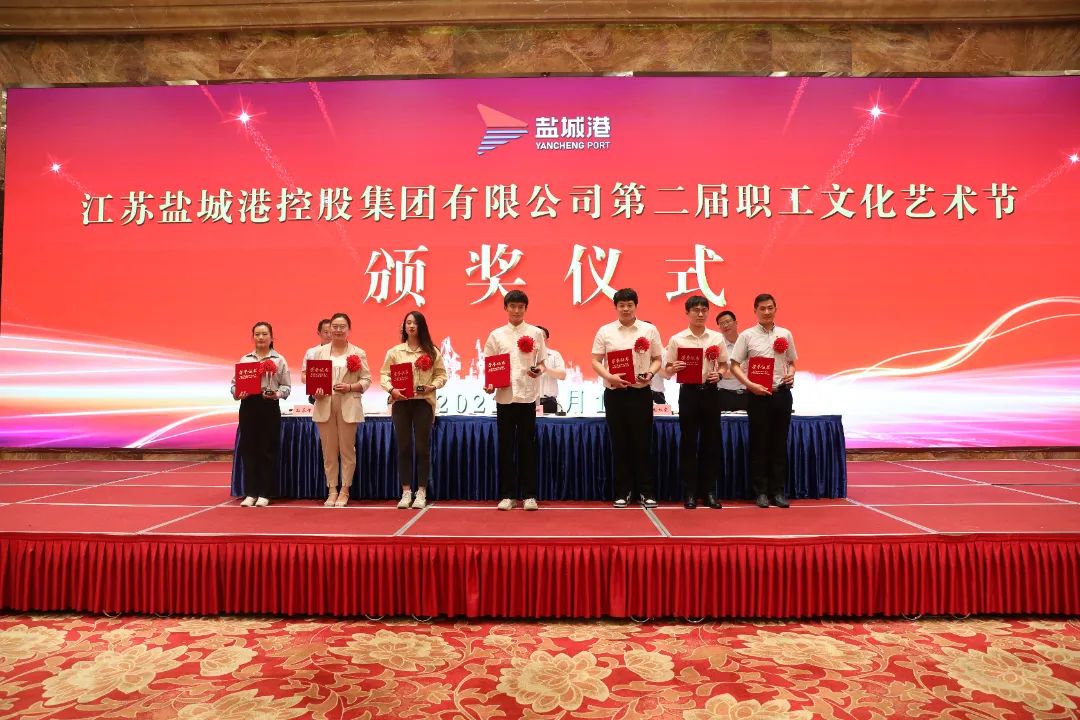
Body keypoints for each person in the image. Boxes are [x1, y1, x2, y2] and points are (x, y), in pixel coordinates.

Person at [591, 288, 662, 508]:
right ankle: (623, 492)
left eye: (630, 304)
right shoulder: (605, 331)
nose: (626, 309)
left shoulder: (649, 330)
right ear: (616, 307)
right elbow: (595, 360)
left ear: (635, 306)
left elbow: (657, 359)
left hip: (640, 393)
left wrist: (650, 373)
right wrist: (609, 376)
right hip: (615, 394)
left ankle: (646, 492)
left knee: (642, 443)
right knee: (619, 443)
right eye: (621, 305)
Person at [729, 293, 798, 509]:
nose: (766, 312)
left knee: (779, 444)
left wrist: (791, 374)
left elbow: (792, 362)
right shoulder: (747, 336)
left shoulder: (785, 334)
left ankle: (778, 491)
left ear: (776, 309)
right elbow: (734, 365)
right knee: (759, 444)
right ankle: (760, 492)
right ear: (755, 311)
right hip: (757, 396)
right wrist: (750, 385)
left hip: (781, 394)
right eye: (762, 308)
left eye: (770, 308)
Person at [483, 290, 546, 511]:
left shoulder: (536, 333)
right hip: (505, 397)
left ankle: (529, 495)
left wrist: (538, 371)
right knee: (506, 446)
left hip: (527, 397)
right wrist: (490, 384)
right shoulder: (496, 335)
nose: (517, 310)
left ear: (526, 309)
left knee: (528, 446)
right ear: (506, 308)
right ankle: (507, 495)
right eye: (513, 306)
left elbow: (542, 363)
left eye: (520, 307)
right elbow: (490, 366)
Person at [664, 295, 727, 509]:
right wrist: (674, 368)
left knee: (711, 443)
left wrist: (719, 374)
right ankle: (690, 492)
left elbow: (724, 365)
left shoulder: (716, 338)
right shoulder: (677, 339)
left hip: (711, 392)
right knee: (688, 443)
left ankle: (709, 492)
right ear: (687, 313)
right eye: (695, 310)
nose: (700, 314)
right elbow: (667, 369)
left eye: (703, 310)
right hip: (688, 393)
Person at [380, 311, 448, 510]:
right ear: (404, 326)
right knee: (403, 447)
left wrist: (432, 386)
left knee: (421, 448)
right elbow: (384, 375)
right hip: (401, 403)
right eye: (408, 322)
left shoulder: (432, 351)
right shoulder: (395, 352)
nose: (411, 326)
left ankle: (421, 491)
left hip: (423, 403)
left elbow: (442, 375)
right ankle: (406, 491)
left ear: (421, 326)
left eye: (415, 323)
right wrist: (392, 390)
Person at [311, 312, 371, 507]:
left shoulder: (358, 352)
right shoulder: (319, 352)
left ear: (348, 329)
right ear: (329, 330)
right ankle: (332, 489)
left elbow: (367, 379)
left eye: (342, 326)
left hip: (348, 404)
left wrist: (350, 387)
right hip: (324, 405)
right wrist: (316, 392)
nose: (338, 330)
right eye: (334, 326)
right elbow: (313, 380)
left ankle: (345, 489)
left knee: (347, 450)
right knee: (328, 451)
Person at [230, 321, 291, 507]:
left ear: (272, 337)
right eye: (257, 334)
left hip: (269, 406)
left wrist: (277, 394)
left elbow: (286, 387)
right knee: (249, 449)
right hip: (248, 406)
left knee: (267, 450)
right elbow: (234, 385)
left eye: (265, 334)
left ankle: (265, 493)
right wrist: (238, 393)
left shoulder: (279, 360)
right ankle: (251, 492)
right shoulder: (245, 359)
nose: (261, 337)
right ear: (253, 337)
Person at [716, 310, 749, 412]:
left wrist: (732, 369)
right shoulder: (717, 345)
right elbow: (722, 373)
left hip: (747, 393)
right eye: (721, 323)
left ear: (736, 323)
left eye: (728, 321)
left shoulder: (748, 342)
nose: (725, 325)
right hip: (724, 394)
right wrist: (741, 368)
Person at [534, 325, 566, 414]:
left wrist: (545, 369)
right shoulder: (526, 356)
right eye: (536, 337)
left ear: (546, 340)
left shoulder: (554, 355)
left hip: (549, 402)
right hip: (530, 402)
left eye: (542, 337)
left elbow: (562, 375)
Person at [301, 318, 332, 403]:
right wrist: (315, 380)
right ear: (319, 333)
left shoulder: (342, 352)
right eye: (326, 332)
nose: (329, 335)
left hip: (337, 396)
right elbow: (303, 377)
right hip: (316, 396)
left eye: (331, 332)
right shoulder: (311, 352)